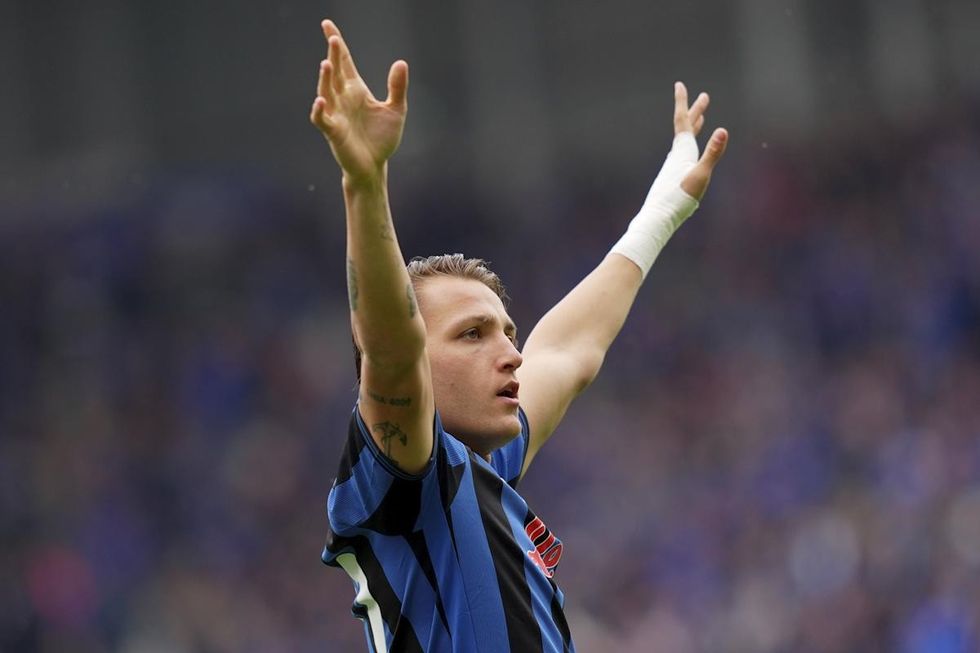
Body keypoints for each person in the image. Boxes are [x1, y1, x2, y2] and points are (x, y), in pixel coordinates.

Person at [310, 18, 728, 653]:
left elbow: (567, 349)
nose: (510, 354)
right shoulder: (403, 481)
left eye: (507, 332)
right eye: (471, 335)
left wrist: (664, 210)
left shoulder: (480, 466)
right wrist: (364, 184)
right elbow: (390, 347)